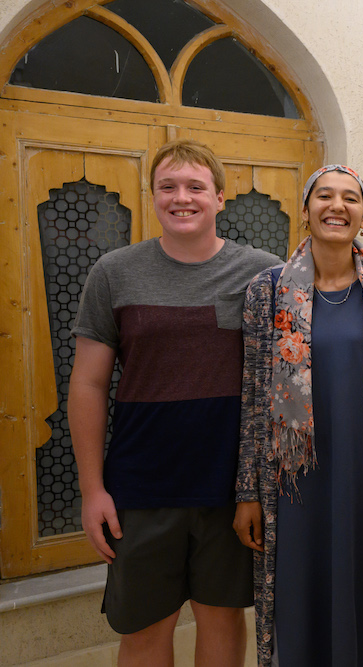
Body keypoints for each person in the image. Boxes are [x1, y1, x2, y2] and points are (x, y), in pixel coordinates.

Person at [68, 139, 279, 666]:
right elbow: (88, 385)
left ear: (220, 198)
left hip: (230, 489)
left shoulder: (263, 273)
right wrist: (93, 489)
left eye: (195, 187)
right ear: (153, 196)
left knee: (222, 619)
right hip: (140, 488)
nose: (181, 198)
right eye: (168, 187)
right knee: (143, 629)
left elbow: (305, 357)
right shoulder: (114, 272)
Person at [233, 164, 363, 666]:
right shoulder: (266, 291)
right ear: (306, 209)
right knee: (297, 593)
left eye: (350, 198)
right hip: (292, 481)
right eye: (325, 196)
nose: (337, 206)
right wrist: (248, 493)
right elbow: (253, 397)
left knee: (360, 590)